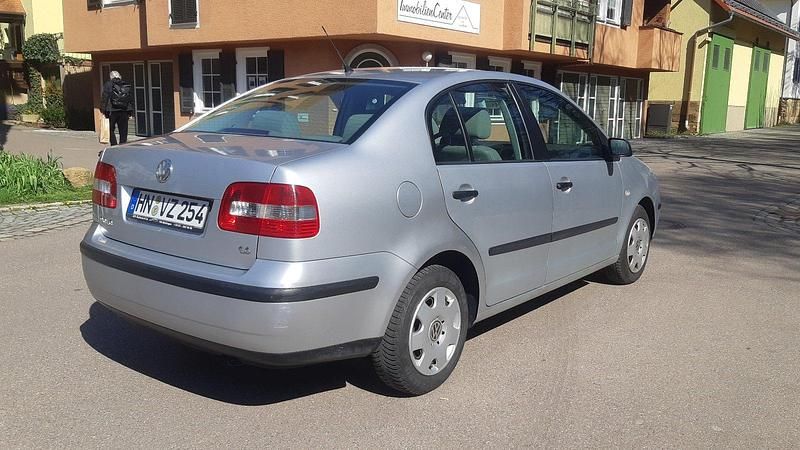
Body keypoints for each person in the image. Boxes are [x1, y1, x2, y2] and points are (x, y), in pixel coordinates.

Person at [101, 71, 134, 146]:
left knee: (110, 129)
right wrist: (130, 112)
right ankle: (122, 145)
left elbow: (104, 97)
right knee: (123, 130)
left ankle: (114, 145)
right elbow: (130, 99)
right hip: (124, 110)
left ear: (111, 77)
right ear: (119, 76)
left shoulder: (108, 84)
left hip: (111, 111)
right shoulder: (125, 84)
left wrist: (103, 110)